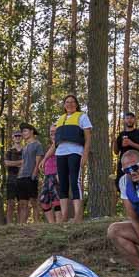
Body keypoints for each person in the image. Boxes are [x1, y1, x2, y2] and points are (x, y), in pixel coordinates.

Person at [50, 93, 91, 221]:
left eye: (72, 102)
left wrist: (85, 154)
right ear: (64, 105)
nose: (70, 104)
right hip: (60, 153)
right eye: (67, 102)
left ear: (77, 104)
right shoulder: (60, 119)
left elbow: (88, 138)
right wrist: (46, 158)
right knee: (62, 184)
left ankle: (78, 216)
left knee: (75, 182)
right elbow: (55, 143)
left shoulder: (82, 117)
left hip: (75, 151)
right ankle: (64, 216)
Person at [13, 125, 46, 224]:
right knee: (23, 203)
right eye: (22, 132)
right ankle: (22, 224)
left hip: (31, 177)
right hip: (21, 177)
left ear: (32, 131)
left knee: (34, 202)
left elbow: (38, 161)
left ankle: (36, 223)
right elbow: (23, 162)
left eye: (25, 131)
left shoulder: (37, 145)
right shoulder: (25, 147)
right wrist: (19, 175)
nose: (23, 134)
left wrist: (34, 174)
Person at [114, 112, 139, 178]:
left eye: (131, 118)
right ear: (124, 120)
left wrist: (131, 143)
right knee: (121, 184)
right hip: (123, 165)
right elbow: (116, 152)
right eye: (127, 118)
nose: (129, 120)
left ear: (134, 120)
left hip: (136, 164)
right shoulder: (121, 134)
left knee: (136, 183)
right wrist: (115, 142)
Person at [39, 147, 62, 223]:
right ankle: (51, 223)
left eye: (53, 134)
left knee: (56, 200)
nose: (52, 136)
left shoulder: (60, 146)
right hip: (47, 176)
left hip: (56, 175)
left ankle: (59, 223)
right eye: (50, 134)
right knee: (43, 200)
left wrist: (59, 173)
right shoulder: (50, 147)